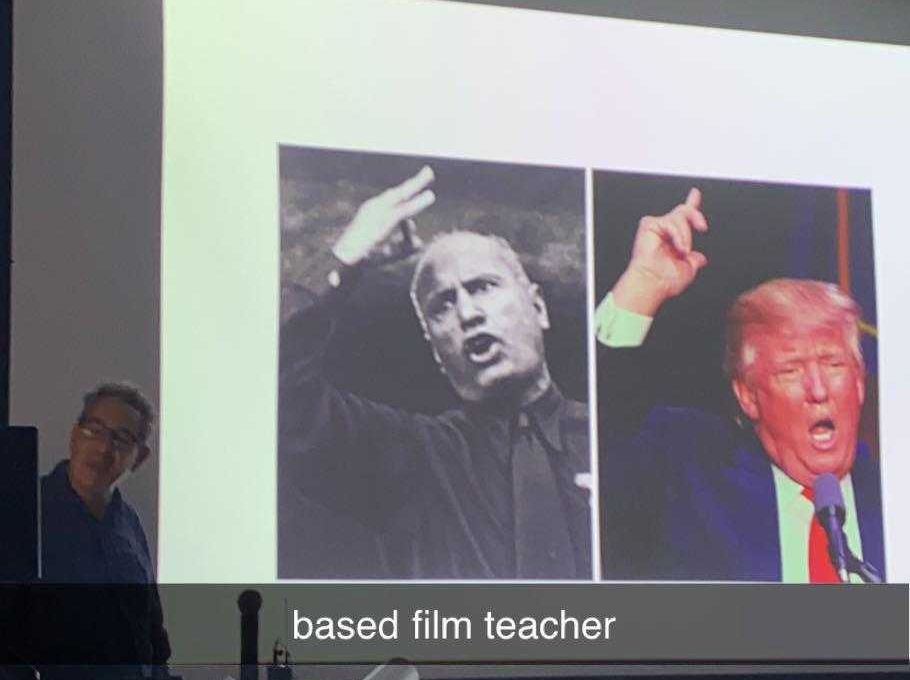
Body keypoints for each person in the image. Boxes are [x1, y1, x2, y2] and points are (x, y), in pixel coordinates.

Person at [279, 165, 592, 579]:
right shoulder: (413, 455)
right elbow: (276, 396)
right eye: (442, 305)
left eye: (483, 287)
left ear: (538, 308)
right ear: (435, 349)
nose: (467, 313)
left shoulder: (611, 440)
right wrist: (343, 262)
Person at [595, 187, 884, 581]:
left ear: (859, 382)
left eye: (833, 364)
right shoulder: (686, 468)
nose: (819, 389)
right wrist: (642, 286)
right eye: (791, 370)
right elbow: (591, 433)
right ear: (748, 396)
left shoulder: (891, 489)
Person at [39, 382, 171, 670]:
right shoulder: (25, 509)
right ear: (75, 435)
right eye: (94, 431)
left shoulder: (130, 524)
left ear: (140, 457)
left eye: (121, 439)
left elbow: (152, 628)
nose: (103, 447)